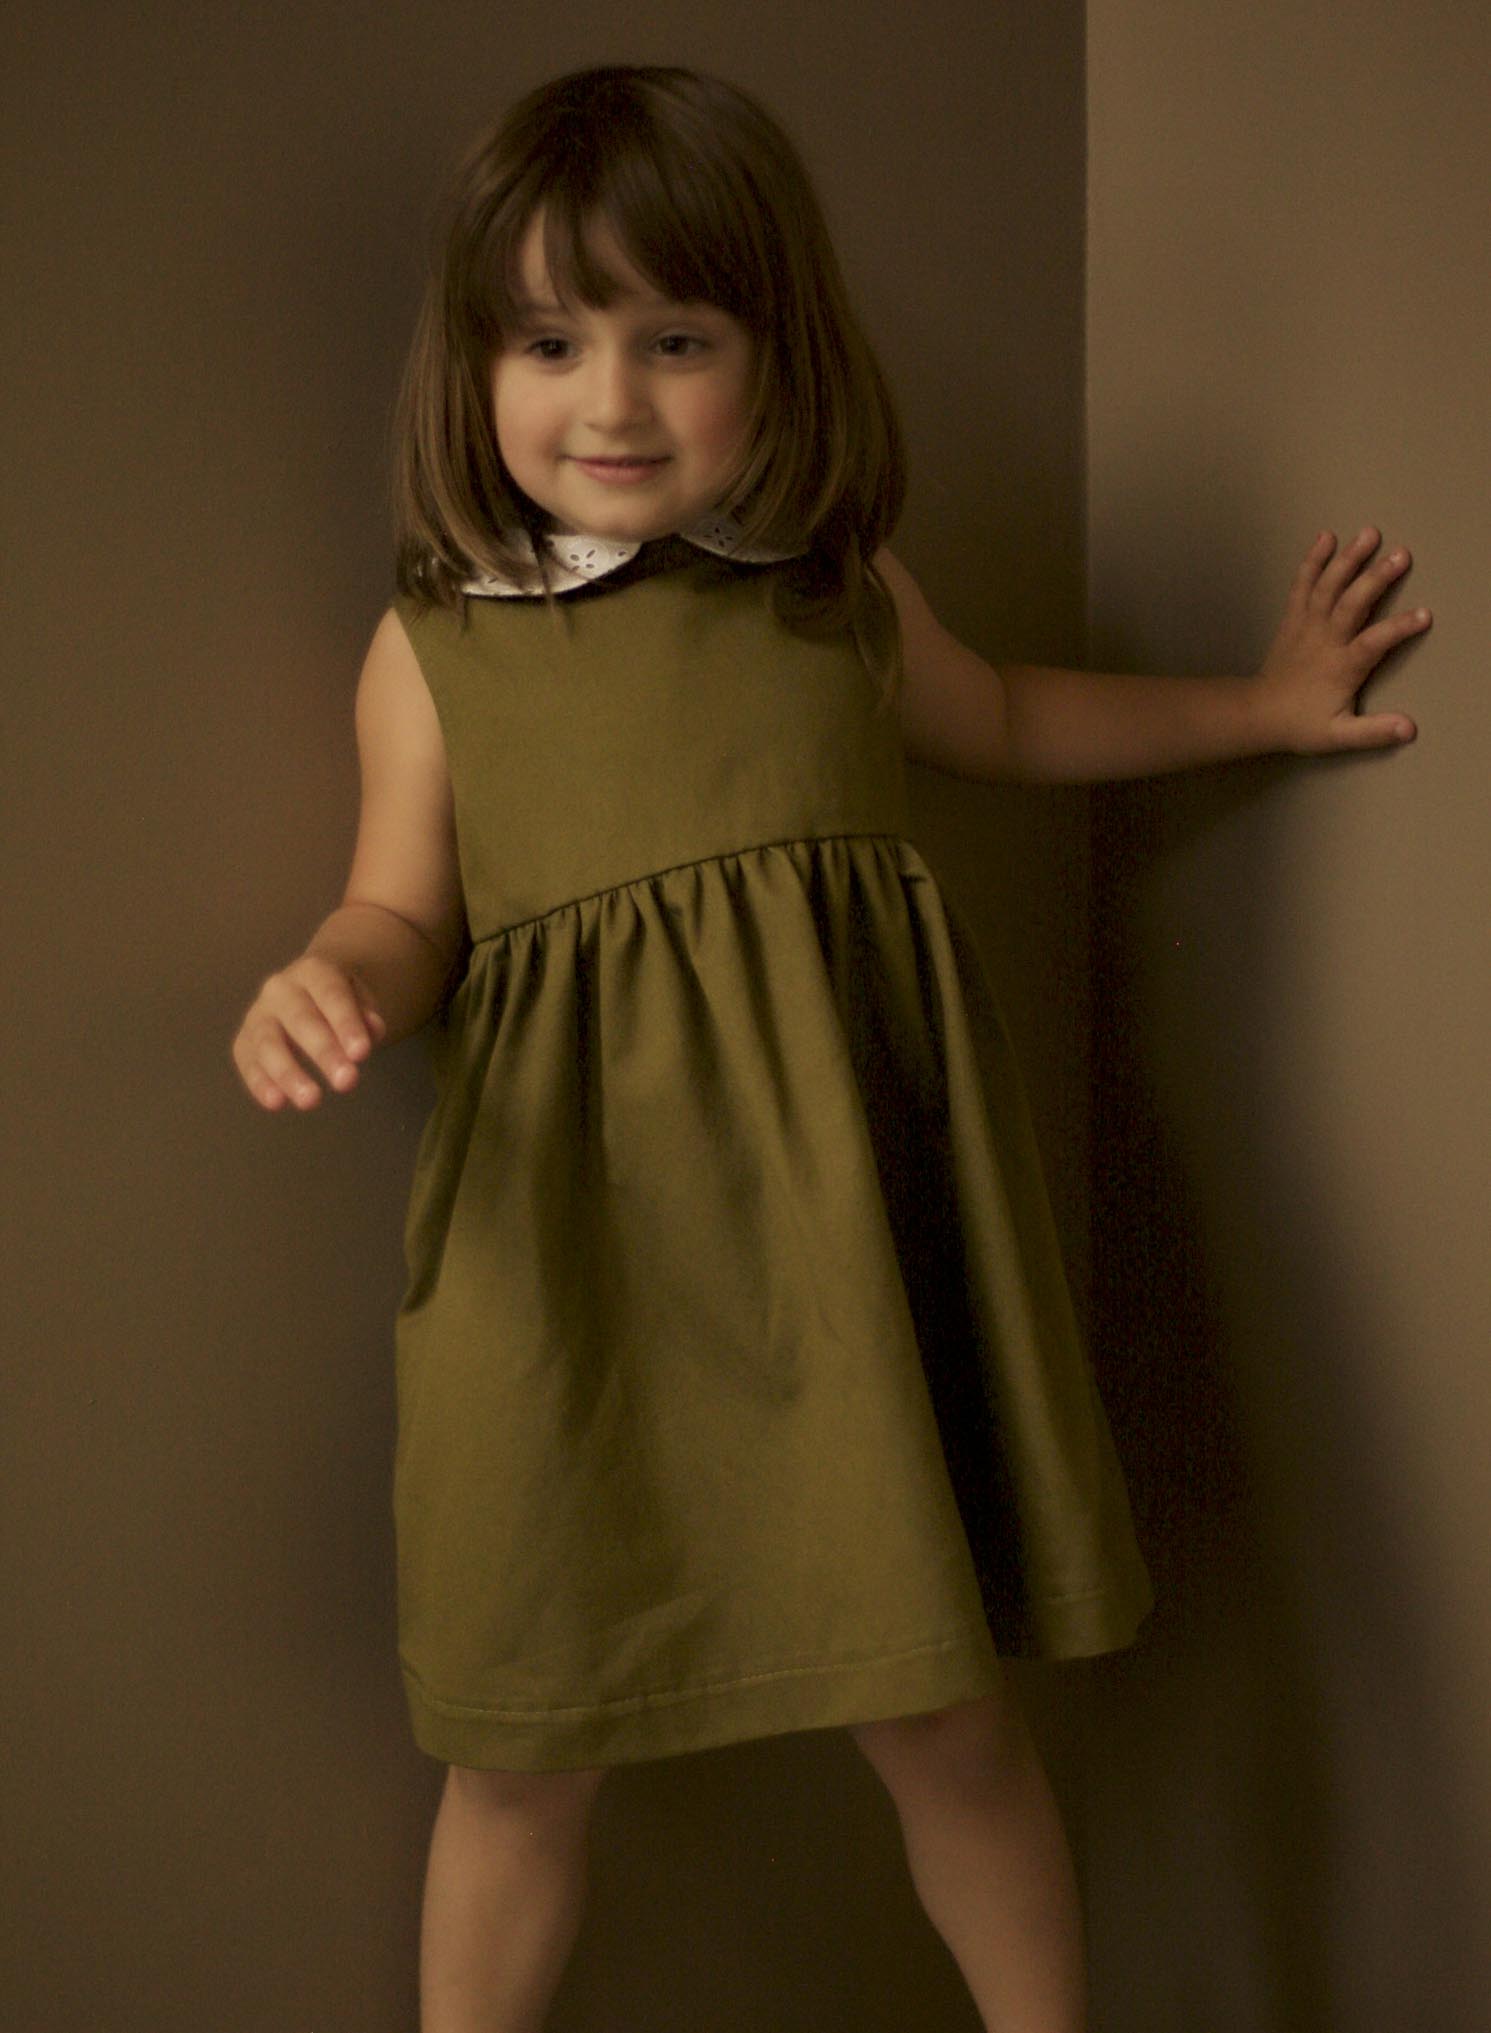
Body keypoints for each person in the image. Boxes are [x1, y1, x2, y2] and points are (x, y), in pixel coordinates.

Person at [229, 63, 1429, 2033]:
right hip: (575, 1276)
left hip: (849, 1262)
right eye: (552, 341)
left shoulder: (832, 592)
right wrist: (329, 978)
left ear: (772, 354)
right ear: (474, 367)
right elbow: (402, 909)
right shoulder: (438, 647)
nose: (612, 401)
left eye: (676, 339)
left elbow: (1011, 719)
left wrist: (1261, 704)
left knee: (945, 1719)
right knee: (518, 1756)